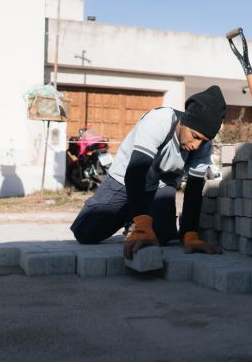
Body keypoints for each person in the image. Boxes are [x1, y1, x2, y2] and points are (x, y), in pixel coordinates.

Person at [70, 85, 226, 259]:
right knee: (86, 234)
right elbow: (136, 172)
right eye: (195, 136)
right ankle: (136, 215)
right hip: (125, 178)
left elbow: (194, 190)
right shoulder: (159, 121)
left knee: (163, 236)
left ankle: (138, 213)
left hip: (160, 184)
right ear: (185, 121)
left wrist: (190, 235)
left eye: (204, 141)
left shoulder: (203, 146)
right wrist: (143, 225)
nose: (196, 146)